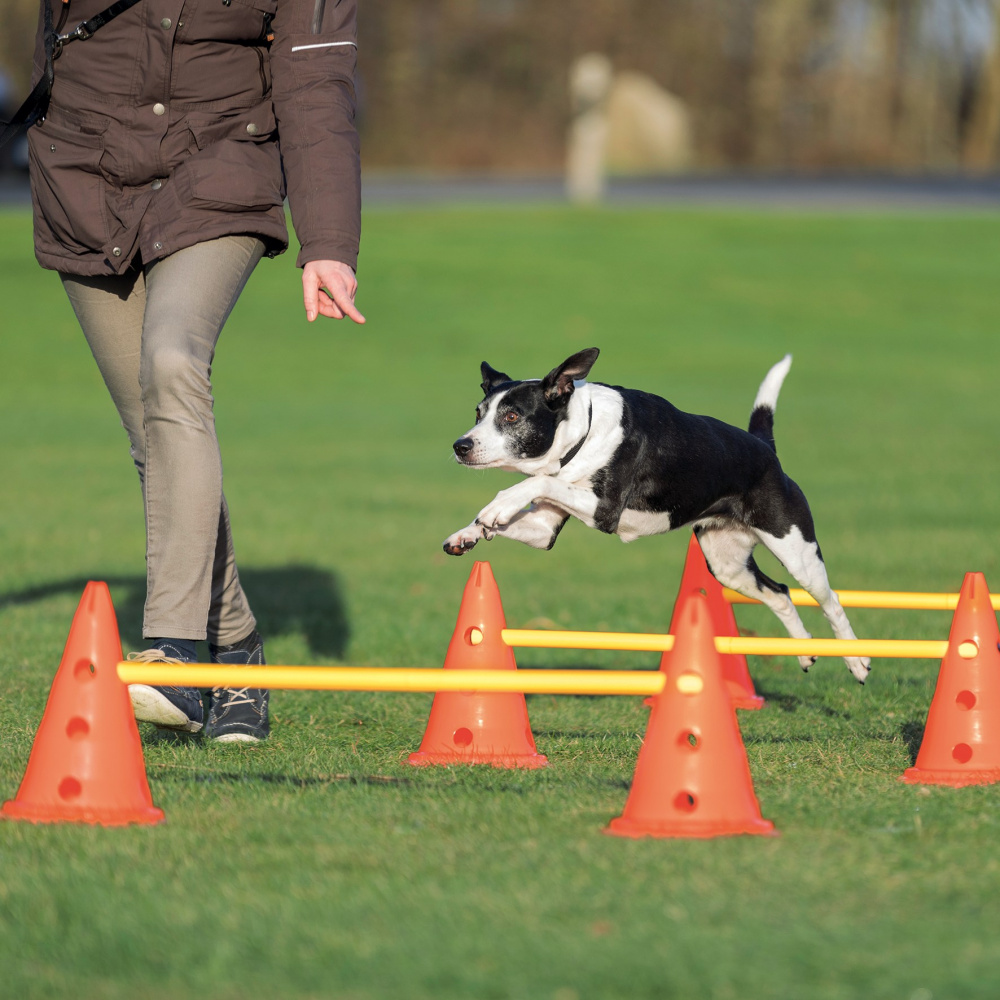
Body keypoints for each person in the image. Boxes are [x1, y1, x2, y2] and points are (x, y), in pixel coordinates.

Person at [26, 0, 363, 742]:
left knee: (174, 361)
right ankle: (237, 650)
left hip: (219, 173)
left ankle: (175, 655)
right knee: (156, 438)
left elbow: (316, 83)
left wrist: (329, 240)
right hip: (85, 180)